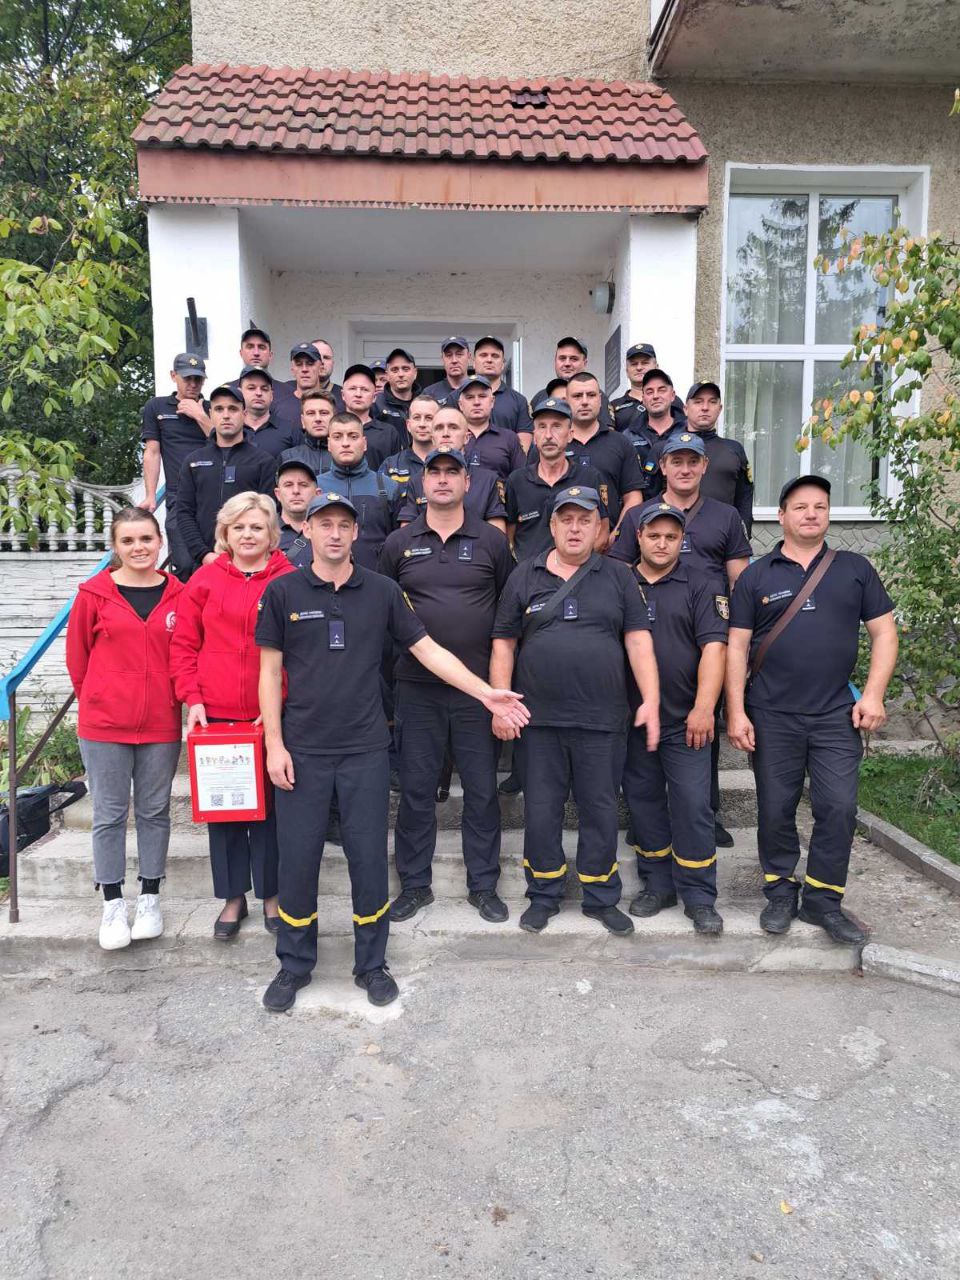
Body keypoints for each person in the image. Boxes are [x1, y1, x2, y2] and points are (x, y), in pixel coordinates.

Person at [255, 492, 529, 1012]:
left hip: (365, 750)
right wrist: (274, 745)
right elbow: (269, 673)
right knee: (298, 861)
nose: (335, 533)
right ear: (306, 530)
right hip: (303, 750)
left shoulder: (382, 591)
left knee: (366, 860)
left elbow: (428, 650)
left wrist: (484, 692)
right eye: (324, 524)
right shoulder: (283, 591)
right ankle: (294, 964)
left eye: (344, 525)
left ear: (357, 533)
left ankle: (371, 964)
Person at [726, 475, 897, 945]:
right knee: (775, 808)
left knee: (838, 807)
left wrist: (873, 695)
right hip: (771, 714)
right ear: (782, 516)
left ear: (828, 514)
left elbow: (884, 633)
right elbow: (736, 648)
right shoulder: (756, 576)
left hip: (836, 715)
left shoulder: (855, 569)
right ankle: (780, 892)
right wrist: (736, 712)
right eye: (800, 507)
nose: (811, 514)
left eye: (820, 506)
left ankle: (823, 901)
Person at [490, 486, 660, 935]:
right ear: (551, 526)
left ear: (600, 528)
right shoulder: (524, 575)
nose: (575, 528)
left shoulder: (619, 577)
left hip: (602, 720)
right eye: (566, 519)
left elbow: (638, 642)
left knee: (600, 809)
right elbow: (504, 644)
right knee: (542, 810)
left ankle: (601, 897)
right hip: (538, 721)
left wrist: (651, 700)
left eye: (585, 520)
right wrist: (500, 703)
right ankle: (543, 894)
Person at [379, 448, 515, 922]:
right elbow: (383, 614)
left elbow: (507, 615)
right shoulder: (398, 543)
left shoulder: (491, 541)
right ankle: (415, 885)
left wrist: (497, 687)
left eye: (451, 472)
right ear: (422, 483)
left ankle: (484, 885)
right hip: (416, 689)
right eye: (433, 472)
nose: (442, 480)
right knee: (417, 792)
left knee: (481, 791)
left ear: (466, 482)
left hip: (478, 691)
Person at [609, 432, 751, 847]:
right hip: (649, 621)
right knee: (642, 752)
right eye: (677, 461)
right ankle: (646, 825)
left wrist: (738, 640)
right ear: (663, 467)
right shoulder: (640, 516)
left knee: (701, 736)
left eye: (693, 461)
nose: (685, 469)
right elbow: (617, 572)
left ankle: (707, 813)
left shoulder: (726, 516)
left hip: (704, 629)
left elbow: (740, 581)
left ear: (704, 466)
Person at [170, 493, 295, 939]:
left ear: (272, 534)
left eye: (257, 527)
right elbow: (184, 644)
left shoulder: (290, 580)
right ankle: (232, 897)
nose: (247, 535)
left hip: (269, 717)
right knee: (225, 810)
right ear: (225, 533)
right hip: (217, 714)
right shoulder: (204, 581)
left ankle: (272, 894)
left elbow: (299, 652)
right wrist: (193, 697)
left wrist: (278, 702)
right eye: (238, 527)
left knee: (270, 813)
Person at [66, 507, 184, 950]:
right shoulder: (93, 594)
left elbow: (187, 652)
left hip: (160, 723)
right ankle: (113, 903)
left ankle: (150, 897)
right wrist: (101, 697)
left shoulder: (179, 594)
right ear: (115, 547)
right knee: (109, 814)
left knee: (154, 811)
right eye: (128, 541)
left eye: (146, 539)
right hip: (105, 724)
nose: (139, 548)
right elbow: (78, 660)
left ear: (159, 542)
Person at [621, 502, 728, 935]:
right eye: (653, 535)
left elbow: (715, 648)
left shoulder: (702, 583)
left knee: (692, 806)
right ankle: (657, 885)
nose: (662, 543)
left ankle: (700, 896)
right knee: (643, 804)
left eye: (671, 536)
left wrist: (704, 708)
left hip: (686, 722)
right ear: (639, 537)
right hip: (631, 722)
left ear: (682, 540)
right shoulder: (618, 581)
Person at [175, 385, 278, 573]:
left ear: (244, 414)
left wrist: (247, 556)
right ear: (211, 414)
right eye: (219, 409)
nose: (226, 415)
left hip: (249, 564)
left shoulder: (263, 462)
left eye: (233, 409)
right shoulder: (193, 461)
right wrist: (204, 554)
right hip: (204, 563)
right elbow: (184, 512)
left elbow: (269, 515)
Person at [536, 371, 643, 534]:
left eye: (591, 395)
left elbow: (633, 497)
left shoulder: (621, 443)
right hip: (555, 540)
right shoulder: (548, 444)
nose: (585, 402)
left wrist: (616, 534)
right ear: (566, 401)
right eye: (577, 396)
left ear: (600, 400)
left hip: (608, 541)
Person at [505, 397, 609, 562]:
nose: (548, 435)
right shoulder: (516, 480)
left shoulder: (590, 478)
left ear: (570, 434)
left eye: (557, 426)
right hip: (529, 574)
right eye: (542, 427)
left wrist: (572, 567)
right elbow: (509, 535)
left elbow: (602, 532)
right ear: (534, 436)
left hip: (578, 572)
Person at [141, 352, 212, 580]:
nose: (193, 384)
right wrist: (150, 495)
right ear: (174, 376)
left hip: (212, 497)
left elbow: (225, 443)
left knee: (212, 564)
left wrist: (200, 415)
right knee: (183, 563)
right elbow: (152, 452)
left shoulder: (213, 408)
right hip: (178, 497)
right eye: (187, 378)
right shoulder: (156, 406)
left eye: (198, 379)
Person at [314, 412, 404, 569]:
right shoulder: (315, 488)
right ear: (329, 444)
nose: (345, 443)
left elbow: (399, 543)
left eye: (353, 436)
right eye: (337, 437)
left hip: (377, 578)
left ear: (364, 443)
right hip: (325, 578)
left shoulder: (388, 487)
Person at [397, 406, 507, 531]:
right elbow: (407, 533)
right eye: (439, 428)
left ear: (467, 437)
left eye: (453, 427)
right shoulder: (417, 480)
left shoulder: (488, 481)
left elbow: (497, 535)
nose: (445, 434)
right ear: (432, 438)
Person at [684, 381, 754, 533]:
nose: (705, 407)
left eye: (712, 402)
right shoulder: (667, 448)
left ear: (720, 409)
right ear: (686, 408)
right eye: (698, 402)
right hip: (676, 535)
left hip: (723, 535)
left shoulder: (734, 449)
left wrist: (743, 533)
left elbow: (745, 497)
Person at [621, 367, 687, 497]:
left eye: (661, 390)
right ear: (643, 399)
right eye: (649, 392)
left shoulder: (687, 432)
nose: (656, 396)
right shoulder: (628, 436)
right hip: (641, 505)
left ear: (673, 395)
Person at [529, 337, 615, 429]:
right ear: (555, 362)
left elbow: (607, 433)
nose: (567, 363)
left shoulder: (595, 396)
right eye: (562, 358)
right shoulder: (540, 397)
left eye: (574, 359)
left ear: (585, 363)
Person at [458, 375, 526, 480]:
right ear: (460, 405)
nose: (476, 402)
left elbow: (520, 481)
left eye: (482, 396)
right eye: (470, 397)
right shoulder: (450, 436)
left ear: (492, 401)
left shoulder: (509, 438)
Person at [612, 344, 686, 437]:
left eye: (645, 363)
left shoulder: (672, 400)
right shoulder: (614, 406)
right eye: (634, 364)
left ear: (656, 366)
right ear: (627, 371)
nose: (639, 368)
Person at [472, 335, 533, 443]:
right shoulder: (457, 397)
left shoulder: (519, 401)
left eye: (495, 356)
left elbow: (524, 443)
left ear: (503, 364)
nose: (489, 360)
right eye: (483, 355)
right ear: (473, 362)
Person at [343, 363, 404, 467]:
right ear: (343, 395)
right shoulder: (331, 429)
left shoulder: (389, 433)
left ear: (375, 397)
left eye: (364, 389)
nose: (358, 394)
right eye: (352, 388)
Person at [380, 394, 439, 494]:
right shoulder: (390, 466)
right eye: (417, 418)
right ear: (408, 425)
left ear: (439, 423)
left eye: (429, 418)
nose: (422, 424)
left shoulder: (452, 462)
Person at [239, 365, 299, 458]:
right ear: (240, 392)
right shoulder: (228, 429)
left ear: (271, 395)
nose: (258, 393)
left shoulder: (290, 430)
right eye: (251, 388)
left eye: (264, 389)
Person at [279, 390, 337, 476]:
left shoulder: (348, 455)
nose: (318, 419)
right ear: (302, 421)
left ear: (335, 418)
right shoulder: (288, 457)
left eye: (324, 413)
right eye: (311, 413)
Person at [272, 342, 325, 434]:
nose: (304, 369)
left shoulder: (332, 405)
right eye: (299, 364)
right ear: (293, 370)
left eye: (310, 364)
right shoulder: (278, 407)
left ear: (320, 368)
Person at [275, 459, 319, 565]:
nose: (296, 491)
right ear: (277, 494)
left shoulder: (330, 533)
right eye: (288, 485)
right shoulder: (264, 532)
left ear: (318, 494)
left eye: (303, 485)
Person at [373, 347, 419, 434]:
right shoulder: (376, 404)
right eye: (394, 370)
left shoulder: (425, 402)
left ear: (415, 373)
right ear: (387, 375)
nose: (400, 374)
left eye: (405, 369)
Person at [422, 336, 471, 404]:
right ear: (442, 359)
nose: (454, 360)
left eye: (459, 354)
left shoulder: (478, 390)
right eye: (448, 355)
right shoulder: (429, 394)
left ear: (469, 357)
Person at [308, 337, 344, 410]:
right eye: (316, 357)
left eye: (326, 357)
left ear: (333, 363)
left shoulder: (344, 397)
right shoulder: (288, 391)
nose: (322, 362)